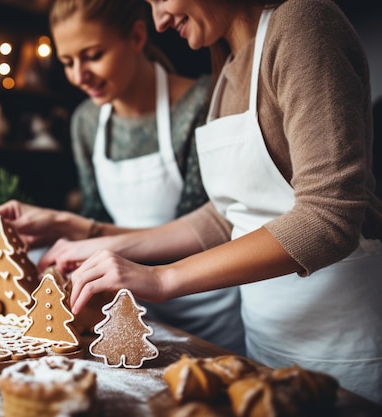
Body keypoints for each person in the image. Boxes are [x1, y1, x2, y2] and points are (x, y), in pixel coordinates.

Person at [38, 0, 382, 403]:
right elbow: (226, 215)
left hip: (341, 344)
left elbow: (329, 218)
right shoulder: (229, 66)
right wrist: (104, 243)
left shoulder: (302, 23)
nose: (160, 21)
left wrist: (163, 279)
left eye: (161, 0)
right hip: (265, 341)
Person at [0, 0, 246, 354]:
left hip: (207, 313)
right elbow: (99, 220)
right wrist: (61, 233)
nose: (78, 75)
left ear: (137, 36)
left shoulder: (201, 102)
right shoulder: (86, 122)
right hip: (126, 315)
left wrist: (73, 227)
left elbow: (203, 233)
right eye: (67, 62)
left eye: (92, 55)